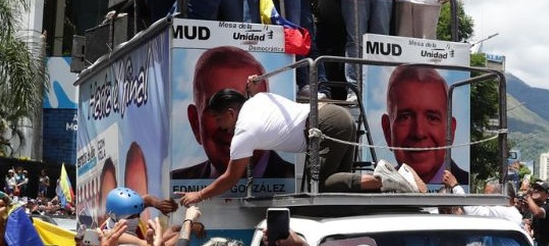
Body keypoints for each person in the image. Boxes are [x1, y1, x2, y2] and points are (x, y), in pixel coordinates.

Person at [178, 88, 420, 207]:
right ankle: (393, 181)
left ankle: (387, 179)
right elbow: (256, 93)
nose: (220, 127)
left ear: (231, 113)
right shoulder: (257, 100)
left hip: (325, 126)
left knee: (322, 185)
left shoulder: (244, 131)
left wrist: (198, 195)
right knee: (339, 192)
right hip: (338, 117)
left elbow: (232, 177)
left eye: (219, 119)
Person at [171, 46, 294, 179]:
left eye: (248, 106)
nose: (234, 125)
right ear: (195, 122)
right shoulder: (178, 181)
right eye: (218, 107)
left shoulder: (292, 178)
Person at [381, 64, 468, 185]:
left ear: (451, 131)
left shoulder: (465, 185)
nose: (419, 132)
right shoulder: (377, 186)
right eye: (405, 117)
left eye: (432, 118)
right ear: (387, 130)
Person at [444, 174, 522, 225]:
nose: (484, 202)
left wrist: (455, 185)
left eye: (487, 197)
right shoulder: (511, 214)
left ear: (500, 197)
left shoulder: (506, 212)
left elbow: (472, 211)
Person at [523, 179, 549, 246]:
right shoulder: (531, 208)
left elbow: (537, 213)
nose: (536, 190)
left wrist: (528, 196)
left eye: (540, 189)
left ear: (547, 194)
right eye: (535, 188)